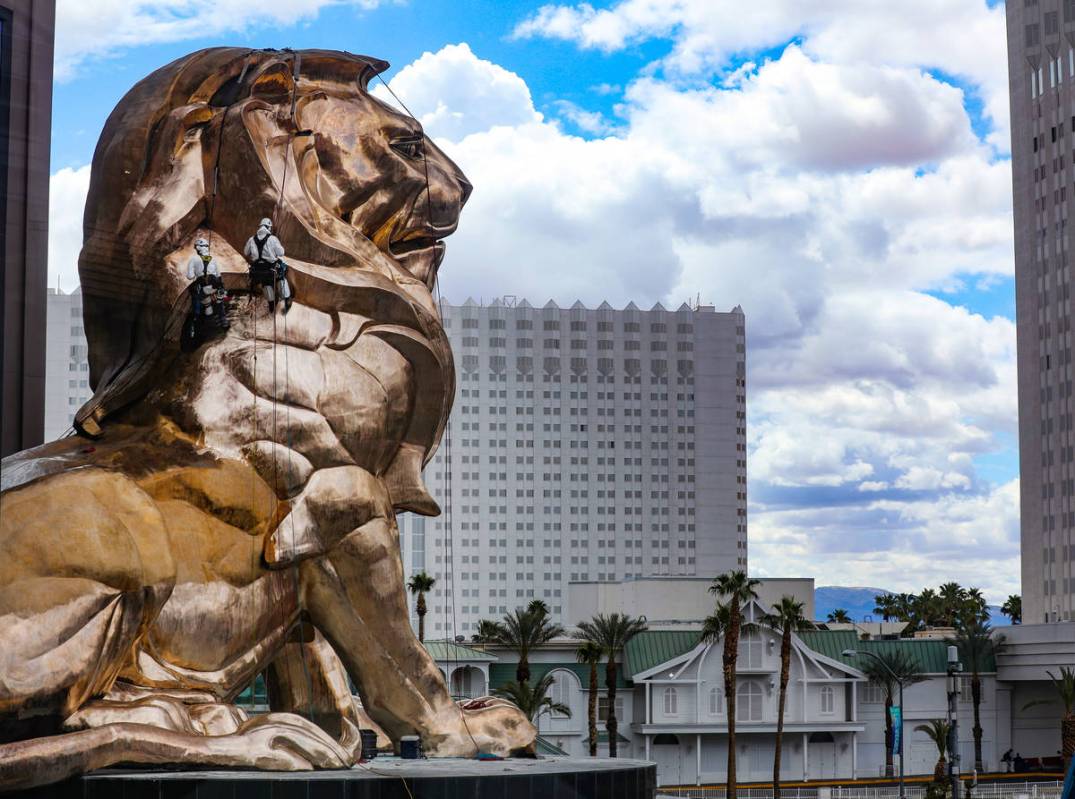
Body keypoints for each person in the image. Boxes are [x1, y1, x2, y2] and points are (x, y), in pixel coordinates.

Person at [244, 217, 292, 313]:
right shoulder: (272, 239)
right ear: (268, 227)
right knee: (281, 275)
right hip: (271, 269)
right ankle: (287, 300)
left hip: (259, 270)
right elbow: (281, 253)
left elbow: (246, 252)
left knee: (266, 282)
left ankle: (271, 305)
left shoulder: (251, 239)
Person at [186, 237, 228, 328]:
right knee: (219, 301)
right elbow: (218, 275)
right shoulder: (213, 259)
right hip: (214, 287)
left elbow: (190, 276)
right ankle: (223, 320)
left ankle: (207, 322)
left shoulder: (193, 259)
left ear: (198, 248)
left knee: (206, 304)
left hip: (203, 289)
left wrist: (197, 273)